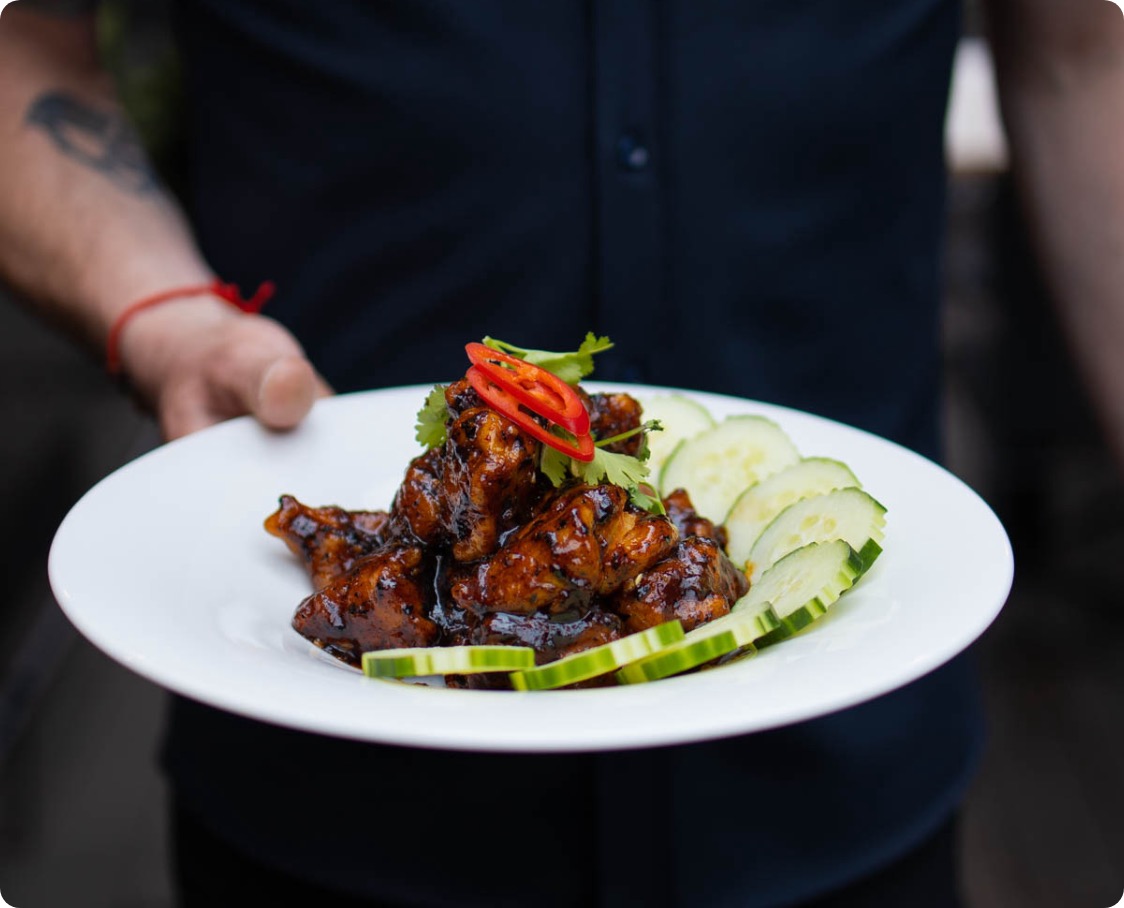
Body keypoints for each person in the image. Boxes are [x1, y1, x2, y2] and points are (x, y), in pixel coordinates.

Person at [0, 1, 1119, 905]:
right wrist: (163, 316)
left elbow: (1084, 59)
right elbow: (22, 43)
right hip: (331, 802)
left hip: (840, 758)